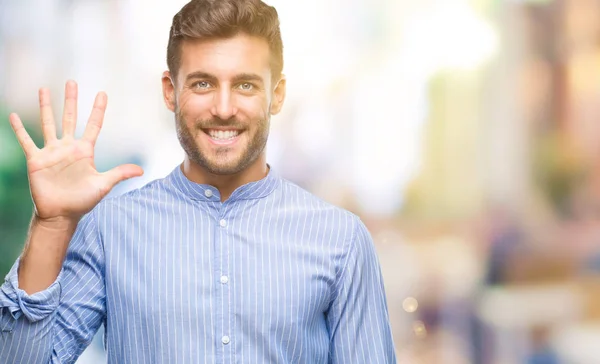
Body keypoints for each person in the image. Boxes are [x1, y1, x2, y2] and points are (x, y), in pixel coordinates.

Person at [0, 0, 397, 363]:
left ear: (276, 95)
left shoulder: (341, 240)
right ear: (170, 92)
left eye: (245, 85)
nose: (223, 109)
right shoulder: (110, 230)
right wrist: (51, 225)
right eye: (203, 83)